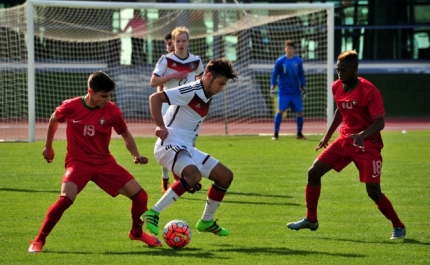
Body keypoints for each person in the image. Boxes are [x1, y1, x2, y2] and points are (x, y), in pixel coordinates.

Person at [28, 71, 162, 253]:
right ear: (90, 91)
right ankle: (38, 240)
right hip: (78, 162)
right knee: (65, 199)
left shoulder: (112, 110)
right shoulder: (71, 106)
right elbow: (54, 118)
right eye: (103, 96)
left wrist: (135, 154)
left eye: (109, 96)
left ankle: (136, 233)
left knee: (141, 197)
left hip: (104, 163)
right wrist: (48, 147)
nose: (107, 100)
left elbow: (124, 133)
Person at [286, 50, 406, 240]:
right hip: (344, 140)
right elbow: (341, 111)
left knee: (373, 192)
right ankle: (311, 219)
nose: (340, 74)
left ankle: (398, 225)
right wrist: (327, 136)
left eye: (344, 70)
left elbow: (380, 122)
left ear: (355, 70)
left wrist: (362, 135)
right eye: (338, 70)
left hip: (368, 144)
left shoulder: (369, 90)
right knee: (313, 172)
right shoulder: (337, 87)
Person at [143, 58, 238, 237]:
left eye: (224, 85)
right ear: (208, 76)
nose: (221, 88)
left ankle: (207, 221)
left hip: (185, 147)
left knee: (225, 176)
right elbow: (155, 98)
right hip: (168, 144)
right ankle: (153, 213)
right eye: (220, 83)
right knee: (193, 175)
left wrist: (181, 173)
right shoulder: (191, 90)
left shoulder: (207, 93)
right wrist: (160, 126)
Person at [150, 26, 204, 194]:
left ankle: (186, 177)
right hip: (169, 106)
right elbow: (153, 81)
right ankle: (166, 177)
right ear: (173, 42)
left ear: (188, 42)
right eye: (178, 41)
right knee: (166, 143)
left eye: (183, 40)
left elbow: (203, 79)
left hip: (189, 109)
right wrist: (173, 75)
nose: (181, 44)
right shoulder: (166, 60)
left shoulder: (196, 61)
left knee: (189, 143)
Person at [270, 40, 307, 140]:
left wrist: (303, 87)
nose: (289, 50)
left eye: (291, 48)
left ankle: (299, 133)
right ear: (285, 49)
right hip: (283, 92)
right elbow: (274, 74)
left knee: (299, 112)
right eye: (288, 48)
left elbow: (301, 75)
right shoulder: (280, 61)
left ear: (294, 49)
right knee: (280, 111)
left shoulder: (298, 61)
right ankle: (275, 134)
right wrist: (272, 86)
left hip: (295, 92)